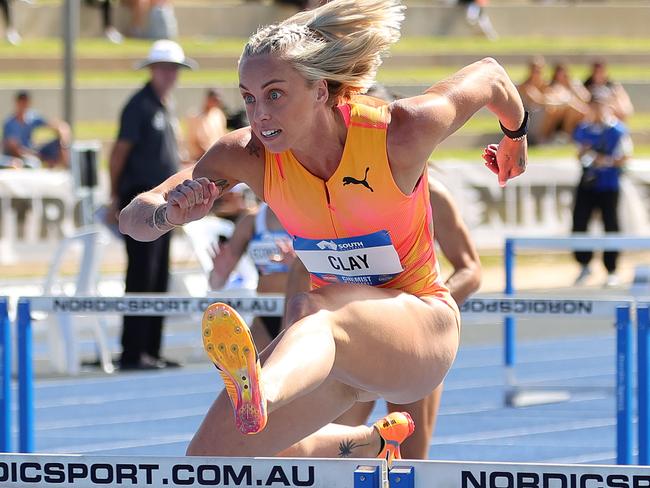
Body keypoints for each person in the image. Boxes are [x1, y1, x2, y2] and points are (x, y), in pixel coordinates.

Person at [119, 0, 527, 460]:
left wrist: (517, 135)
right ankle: (373, 443)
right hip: (325, 353)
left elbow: (491, 74)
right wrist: (166, 214)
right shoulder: (248, 156)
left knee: (314, 308)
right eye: (248, 98)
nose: (259, 115)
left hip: (421, 329)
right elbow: (132, 218)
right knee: (211, 461)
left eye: (275, 94)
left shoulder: (401, 131)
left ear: (319, 90)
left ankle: (262, 393)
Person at [279, 175, 481, 459]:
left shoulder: (431, 191)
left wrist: (428, 314)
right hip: (355, 339)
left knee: (410, 464)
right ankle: (372, 442)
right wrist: (288, 344)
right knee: (333, 452)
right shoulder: (336, 188)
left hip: (411, 340)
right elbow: (301, 268)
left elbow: (470, 270)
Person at [110, 40, 197, 370]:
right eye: (164, 68)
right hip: (141, 201)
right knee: (141, 275)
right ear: (152, 70)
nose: (169, 74)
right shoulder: (139, 106)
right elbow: (119, 153)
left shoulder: (163, 106)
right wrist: (116, 197)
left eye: (173, 69)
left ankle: (151, 349)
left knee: (159, 275)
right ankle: (133, 351)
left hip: (164, 203)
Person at [210, 202, 295, 351]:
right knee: (255, 372)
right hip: (264, 315)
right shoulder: (251, 220)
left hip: (299, 312)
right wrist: (219, 271)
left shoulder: (307, 216)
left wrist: (299, 266)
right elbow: (216, 284)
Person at [572, 90, 633, 288]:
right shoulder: (583, 128)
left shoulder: (617, 130)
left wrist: (603, 160)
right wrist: (586, 156)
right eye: (594, 104)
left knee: (610, 225)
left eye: (601, 104)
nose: (597, 109)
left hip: (608, 184)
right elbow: (579, 154)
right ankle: (583, 264)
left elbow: (625, 157)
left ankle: (611, 268)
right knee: (580, 222)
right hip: (588, 182)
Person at [2, 90, 70, 169]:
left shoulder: (32, 117)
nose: (23, 104)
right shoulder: (9, 123)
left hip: (31, 151)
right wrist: (32, 155)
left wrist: (64, 143)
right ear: (16, 103)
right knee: (31, 163)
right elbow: (14, 148)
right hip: (16, 157)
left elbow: (57, 126)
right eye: (21, 101)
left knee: (57, 143)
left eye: (25, 101)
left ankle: (64, 167)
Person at [185, 88, 228, 163]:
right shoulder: (195, 117)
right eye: (214, 100)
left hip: (216, 156)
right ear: (208, 99)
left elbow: (222, 135)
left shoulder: (218, 114)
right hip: (200, 159)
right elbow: (195, 141)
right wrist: (209, 154)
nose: (217, 103)